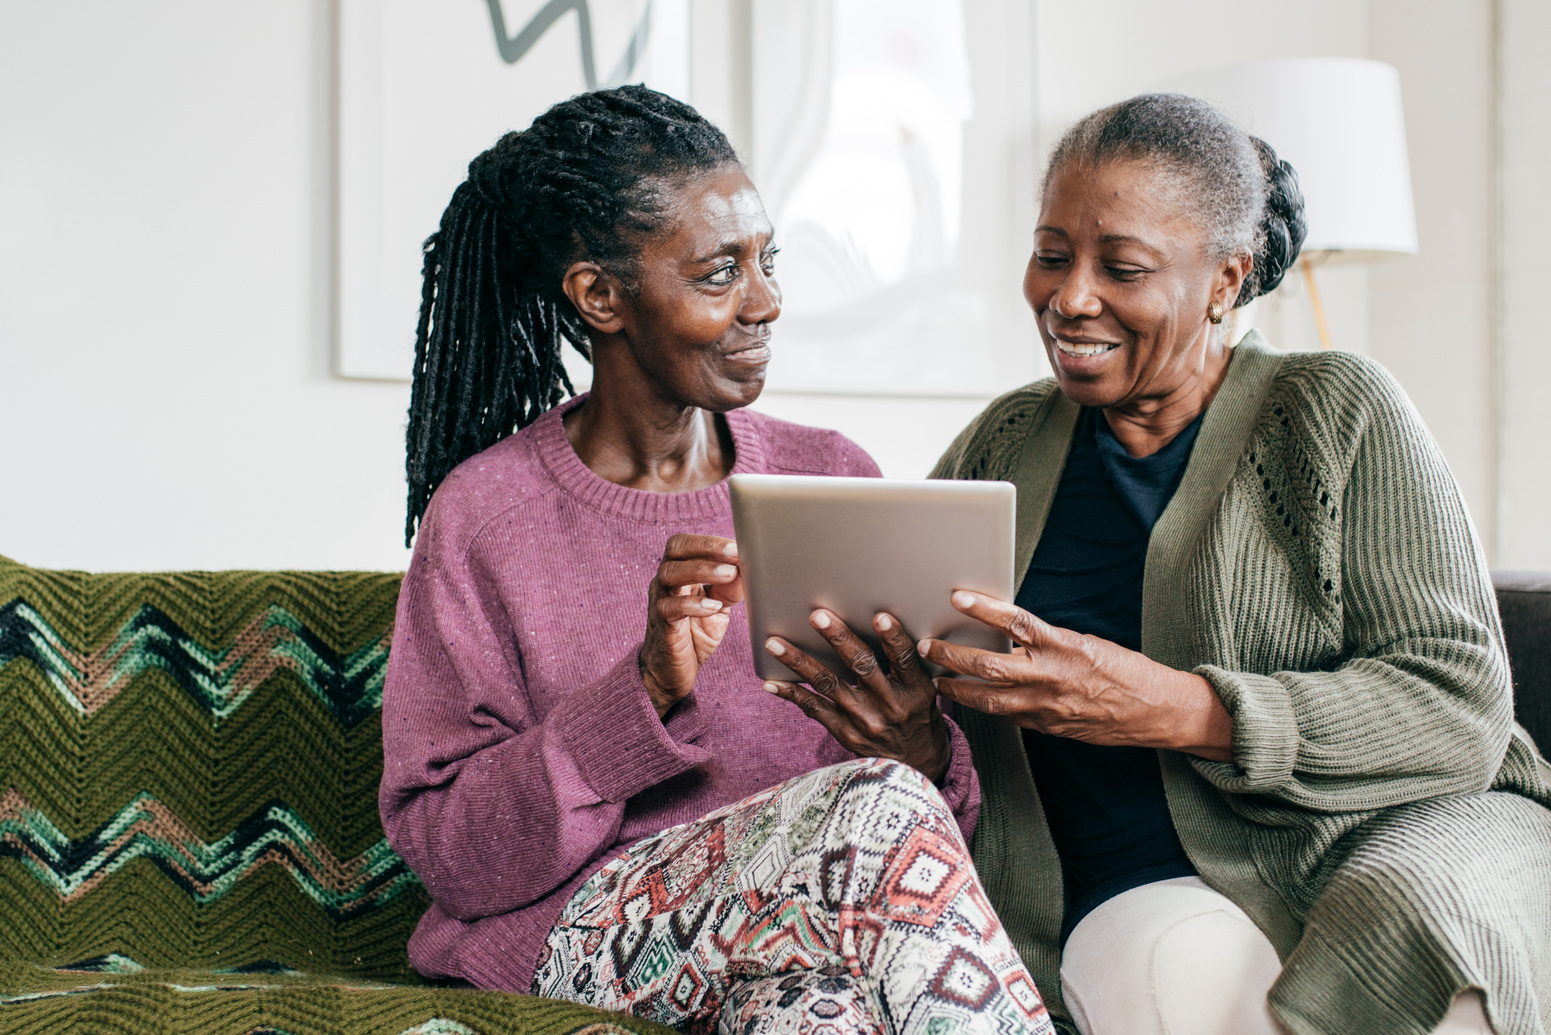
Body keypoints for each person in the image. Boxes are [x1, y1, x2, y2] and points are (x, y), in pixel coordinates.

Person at [378, 86, 1054, 1035]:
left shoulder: (833, 474)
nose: (766, 301)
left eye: (766, 261)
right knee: (871, 807)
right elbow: (452, 852)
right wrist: (644, 687)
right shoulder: (487, 516)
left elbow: (927, 819)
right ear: (600, 295)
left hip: (803, 937)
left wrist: (916, 746)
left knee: (818, 1017)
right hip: (576, 934)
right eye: (718, 272)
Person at [901, 93, 1551, 1035]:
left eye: (1120, 266)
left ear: (1224, 279)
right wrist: (906, 730)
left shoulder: (1332, 409)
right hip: (1132, 878)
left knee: (1407, 910)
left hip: (1390, 828)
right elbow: (941, 703)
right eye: (1050, 255)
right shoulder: (1001, 441)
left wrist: (1173, 707)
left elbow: (1457, 710)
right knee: (1165, 965)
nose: (1069, 296)